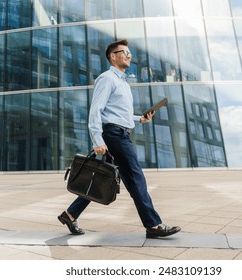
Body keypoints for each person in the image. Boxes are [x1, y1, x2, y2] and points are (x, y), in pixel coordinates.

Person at [58, 39, 181, 238]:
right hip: (114, 135)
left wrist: (139, 119)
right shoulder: (107, 79)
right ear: (113, 56)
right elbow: (96, 110)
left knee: (100, 177)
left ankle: (70, 215)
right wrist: (97, 140)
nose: (129, 55)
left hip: (120, 132)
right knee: (135, 177)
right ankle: (153, 225)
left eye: (130, 53)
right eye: (125, 52)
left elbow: (116, 113)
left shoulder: (123, 82)